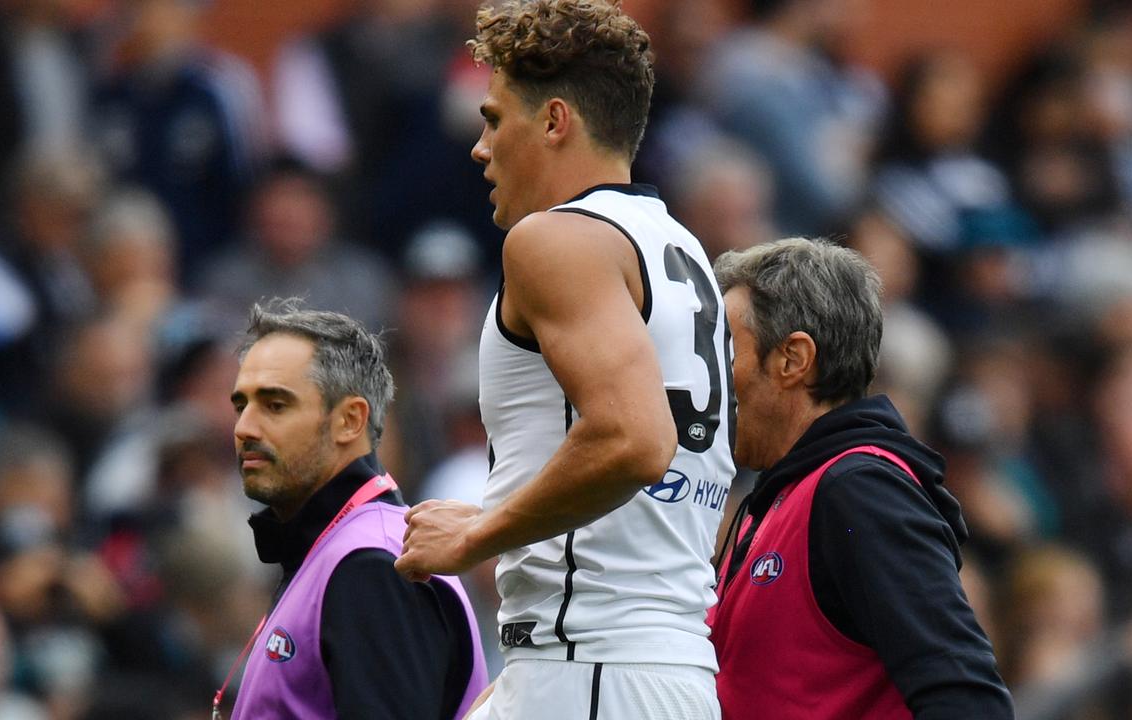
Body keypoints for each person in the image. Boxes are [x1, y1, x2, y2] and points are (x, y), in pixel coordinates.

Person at [395, 2, 735, 718]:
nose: (480, 149)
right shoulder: (679, 247)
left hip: (591, 666)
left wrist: (479, 534)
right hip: (648, 666)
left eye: (494, 119)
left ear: (554, 121)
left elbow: (635, 438)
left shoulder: (554, 240)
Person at [707, 238, 1014, 719]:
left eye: (726, 349)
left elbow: (967, 699)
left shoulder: (859, 490)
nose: (712, 378)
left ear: (792, 359)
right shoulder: (784, 496)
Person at [224, 299, 487, 719]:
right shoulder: (333, 549)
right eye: (242, 405)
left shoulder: (375, 566)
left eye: (275, 405)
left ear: (350, 420)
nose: (244, 428)